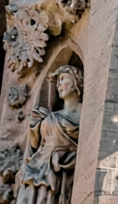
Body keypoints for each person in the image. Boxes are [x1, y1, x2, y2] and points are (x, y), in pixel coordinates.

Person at [16, 65, 82, 204]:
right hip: (38, 168)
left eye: (63, 79)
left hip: (62, 168)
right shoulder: (47, 117)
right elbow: (34, 145)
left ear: (76, 81)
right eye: (57, 81)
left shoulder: (86, 114)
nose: (58, 84)